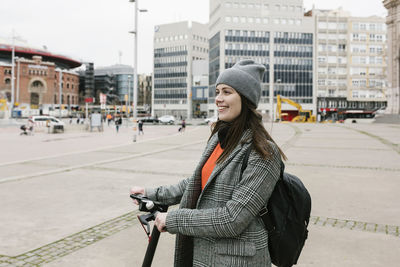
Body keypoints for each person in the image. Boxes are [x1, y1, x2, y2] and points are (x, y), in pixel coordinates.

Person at [130, 59, 286, 266]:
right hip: (202, 253)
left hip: (236, 261)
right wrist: (152, 193)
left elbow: (233, 219)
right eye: (218, 91)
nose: (219, 99)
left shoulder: (264, 152)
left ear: (246, 98)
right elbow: (197, 183)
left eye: (227, 92)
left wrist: (174, 219)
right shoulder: (219, 138)